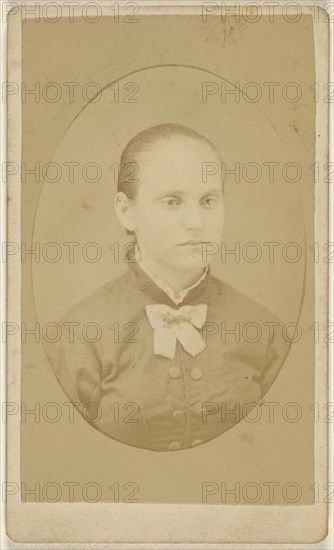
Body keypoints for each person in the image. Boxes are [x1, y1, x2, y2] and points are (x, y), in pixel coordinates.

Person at [46, 123, 290, 451]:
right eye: (172, 201)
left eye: (208, 201)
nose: (196, 222)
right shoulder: (79, 335)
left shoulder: (265, 331)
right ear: (125, 211)